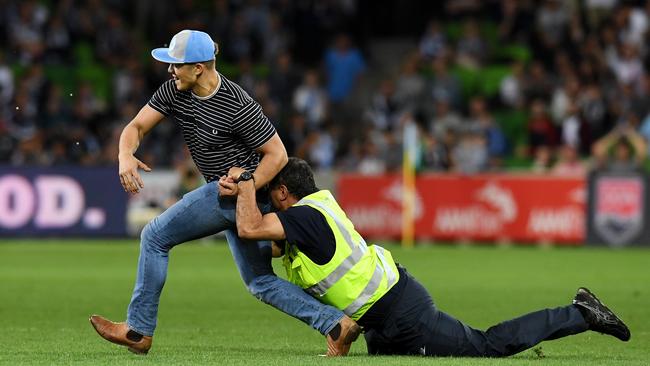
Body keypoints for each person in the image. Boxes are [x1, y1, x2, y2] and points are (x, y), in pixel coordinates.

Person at [88, 30, 357, 356]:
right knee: (260, 282)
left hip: (231, 195)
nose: (170, 71)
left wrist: (247, 186)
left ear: (198, 68)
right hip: (234, 197)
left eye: (176, 65)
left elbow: (278, 154)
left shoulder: (237, 104)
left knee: (154, 237)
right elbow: (136, 127)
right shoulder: (175, 90)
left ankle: (138, 329)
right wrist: (125, 155)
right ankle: (335, 324)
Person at [228, 157, 631, 357]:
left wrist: (245, 184)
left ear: (283, 192)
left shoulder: (304, 218)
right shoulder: (311, 215)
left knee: (486, 346)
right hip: (379, 322)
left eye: (269, 192)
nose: (266, 201)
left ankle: (580, 313)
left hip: (404, 313)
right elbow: (272, 245)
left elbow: (249, 229)